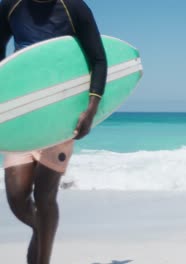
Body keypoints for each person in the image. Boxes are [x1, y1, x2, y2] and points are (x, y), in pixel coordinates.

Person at [0, 0, 107, 263]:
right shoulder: (10, 6)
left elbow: (98, 59)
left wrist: (90, 109)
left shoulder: (74, 7)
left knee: (45, 195)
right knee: (16, 199)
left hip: (62, 115)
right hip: (24, 115)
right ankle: (44, 228)